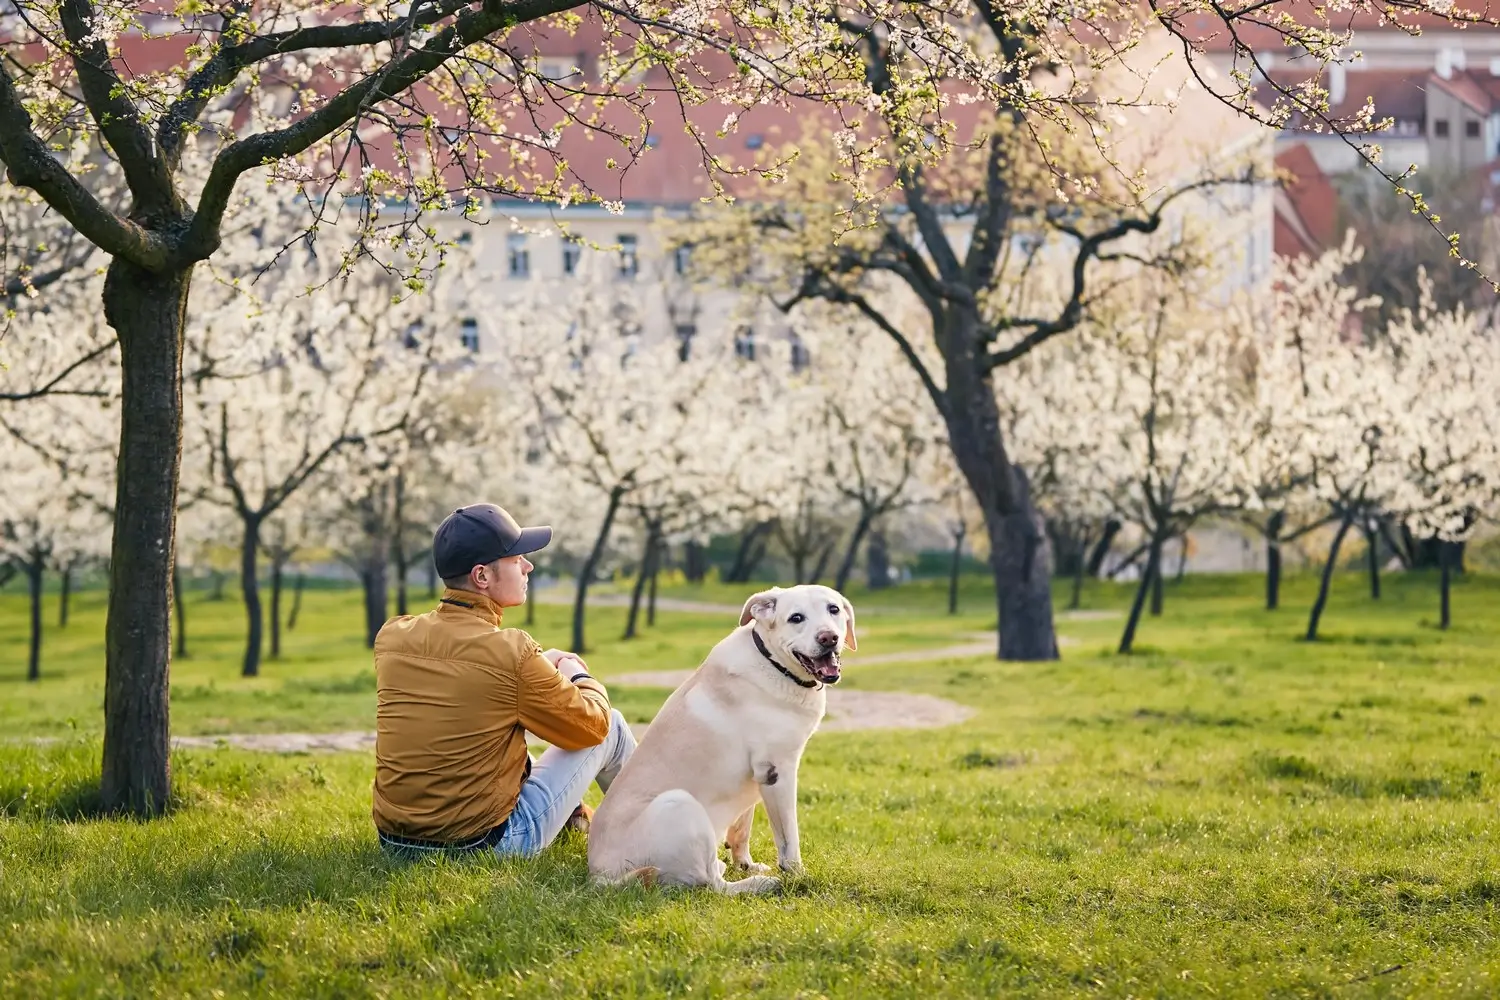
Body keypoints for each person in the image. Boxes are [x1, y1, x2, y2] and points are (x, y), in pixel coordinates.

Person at [372, 503, 636, 858]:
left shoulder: (393, 637)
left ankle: (577, 819)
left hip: (395, 842)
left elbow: (466, 688)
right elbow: (592, 728)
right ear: (482, 576)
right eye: (516, 559)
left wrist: (539, 667)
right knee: (613, 725)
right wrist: (577, 673)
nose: (529, 566)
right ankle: (665, 835)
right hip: (481, 846)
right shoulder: (511, 653)